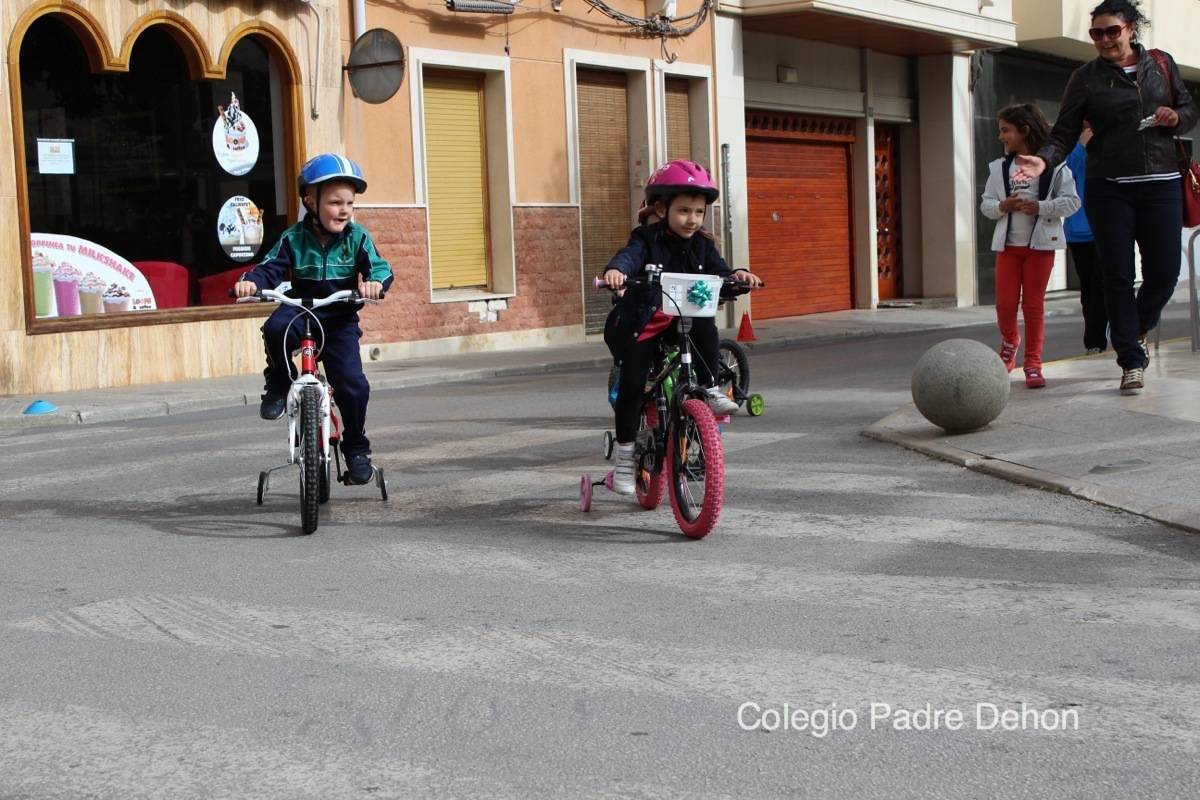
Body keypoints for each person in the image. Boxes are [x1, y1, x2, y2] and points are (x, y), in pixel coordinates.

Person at [1011, 0, 1198, 394]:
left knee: (1164, 272)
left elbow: (1188, 109)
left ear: (1132, 28)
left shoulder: (1161, 64)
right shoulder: (1085, 78)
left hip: (1161, 183)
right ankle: (1130, 360)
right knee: (1117, 274)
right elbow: (1064, 132)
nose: (1104, 39)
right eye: (1096, 33)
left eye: (1112, 31)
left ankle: (1134, 327)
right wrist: (1044, 161)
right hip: (1109, 187)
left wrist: (1177, 117)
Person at [602, 159, 763, 495]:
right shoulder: (646, 238)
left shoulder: (702, 245)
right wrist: (617, 271)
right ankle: (625, 459)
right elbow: (629, 256)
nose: (692, 219)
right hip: (645, 322)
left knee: (704, 321)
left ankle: (709, 388)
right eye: (684, 211)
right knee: (633, 385)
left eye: (699, 212)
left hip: (683, 321)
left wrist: (738, 276)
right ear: (663, 209)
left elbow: (721, 271)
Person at [234, 154, 393, 484]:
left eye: (349, 203)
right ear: (311, 201)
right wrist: (251, 281)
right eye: (335, 203)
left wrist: (375, 283)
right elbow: (268, 268)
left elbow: (380, 267)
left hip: (339, 318)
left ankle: (356, 449)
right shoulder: (293, 238)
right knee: (275, 328)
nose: (344, 210)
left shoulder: (358, 238)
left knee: (353, 385)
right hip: (300, 309)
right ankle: (279, 382)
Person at [981, 104, 1082, 389]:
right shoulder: (999, 168)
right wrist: (1003, 206)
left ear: (1024, 131)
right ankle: (1010, 341)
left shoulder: (1055, 167)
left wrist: (1041, 207)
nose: (1001, 136)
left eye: (1006, 130)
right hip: (1007, 249)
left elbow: (1073, 202)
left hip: (1040, 247)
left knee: (1033, 306)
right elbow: (986, 204)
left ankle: (1033, 364)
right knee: (1004, 305)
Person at [1064, 123, 1108, 354]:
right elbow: (1065, 173)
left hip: (1108, 227)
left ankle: (1095, 340)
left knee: (1102, 285)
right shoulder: (1070, 146)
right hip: (1078, 230)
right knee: (1088, 288)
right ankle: (1095, 340)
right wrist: (1081, 145)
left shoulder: (1111, 140)